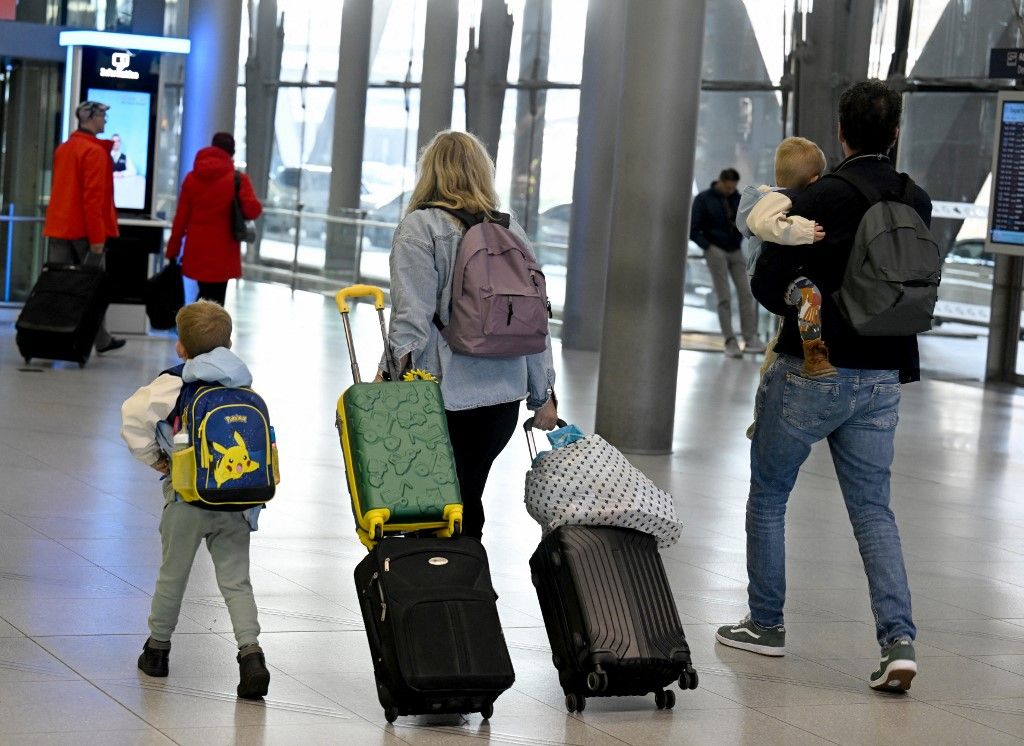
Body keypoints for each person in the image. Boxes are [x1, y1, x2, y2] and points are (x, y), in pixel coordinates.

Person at [715, 80, 930, 693]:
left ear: (841, 132)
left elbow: (768, 281)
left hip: (812, 369)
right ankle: (899, 641)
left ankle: (766, 624)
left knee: (769, 495)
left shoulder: (822, 195)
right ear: (895, 133)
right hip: (885, 374)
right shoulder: (917, 198)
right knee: (873, 511)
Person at [384, 130, 559, 540]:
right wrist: (543, 395)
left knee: (431, 509)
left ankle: (441, 593)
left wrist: (387, 385)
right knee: (468, 500)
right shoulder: (510, 228)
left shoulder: (420, 228)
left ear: (430, 172)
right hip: (502, 399)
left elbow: (411, 321)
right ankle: (467, 594)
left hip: (442, 395)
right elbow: (534, 320)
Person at [120, 300, 270, 700]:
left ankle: (157, 652)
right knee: (237, 582)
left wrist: (156, 459)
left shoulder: (175, 382)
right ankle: (251, 654)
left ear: (181, 347)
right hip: (236, 502)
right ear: (228, 342)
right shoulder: (244, 385)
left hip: (187, 499)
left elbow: (132, 414)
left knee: (173, 576)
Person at [737, 136, 834, 380]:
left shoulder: (780, 195)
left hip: (774, 276)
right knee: (810, 295)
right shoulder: (780, 197)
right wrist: (804, 230)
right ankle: (813, 354)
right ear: (815, 180)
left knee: (803, 302)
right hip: (767, 277)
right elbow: (760, 222)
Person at [43, 100, 125, 353]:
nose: (105, 121)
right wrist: (97, 239)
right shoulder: (94, 152)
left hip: (59, 228)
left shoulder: (64, 149)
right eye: (102, 116)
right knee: (93, 289)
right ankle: (94, 339)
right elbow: (93, 199)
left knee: (59, 287)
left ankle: (57, 336)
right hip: (84, 232)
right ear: (91, 118)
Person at [166, 132, 262, 307]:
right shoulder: (237, 179)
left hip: (196, 252)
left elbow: (180, 219)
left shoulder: (192, 178)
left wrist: (172, 250)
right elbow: (253, 210)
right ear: (231, 152)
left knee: (205, 295)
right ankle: (201, 331)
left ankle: (196, 329)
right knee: (215, 301)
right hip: (223, 253)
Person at [690, 168, 764, 358]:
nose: (731, 190)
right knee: (724, 297)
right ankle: (730, 341)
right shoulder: (703, 199)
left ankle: (750, 337)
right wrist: (707, 246)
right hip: (715, 249)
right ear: (721, 182)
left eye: (733, 188)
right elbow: (693, 229)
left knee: (746, 293)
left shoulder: (736, 199)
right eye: (728, 187)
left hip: (734, 249)